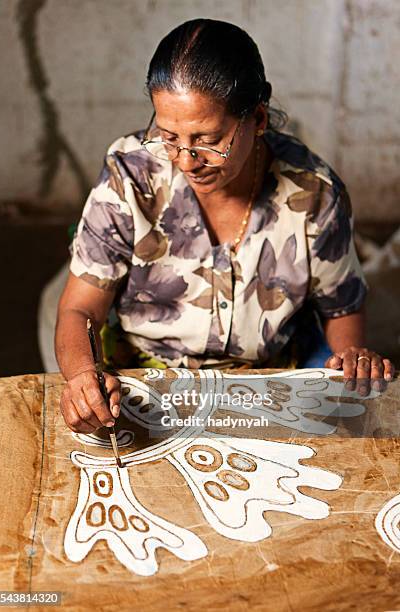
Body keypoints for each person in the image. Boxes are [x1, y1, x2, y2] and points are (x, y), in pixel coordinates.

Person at [55, 18, 394, 434]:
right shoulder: (131, 176)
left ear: (258, 118)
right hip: (142, 380)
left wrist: (353, 356)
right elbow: (79, 307)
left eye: (208, 140)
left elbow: (342, 306)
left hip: (265, 381)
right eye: (168, 136)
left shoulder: (314, 195)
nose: (185, 160)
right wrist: (82, 378)